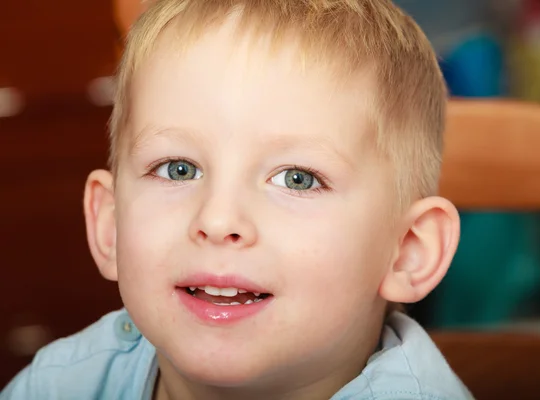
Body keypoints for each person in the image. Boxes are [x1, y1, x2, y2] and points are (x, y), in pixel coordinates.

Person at [0, 0, 472, 398]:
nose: (218, 218)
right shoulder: (61, 383)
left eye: (297, 179)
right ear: (111, 225)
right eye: (178, 169)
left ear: (408, 251)